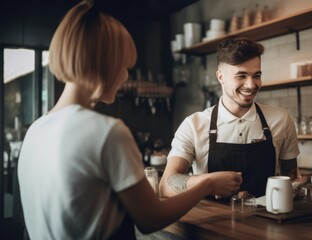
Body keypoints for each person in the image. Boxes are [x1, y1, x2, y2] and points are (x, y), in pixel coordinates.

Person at [17, 1, 242, 239]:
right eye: (124, 66)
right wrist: (207, 185)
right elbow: (151, 218)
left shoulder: (36, 130)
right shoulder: (107, 132)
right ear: (104, 63)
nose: (125, 76)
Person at [160, 36, 300, 199]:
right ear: (221, 77)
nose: (251, 85)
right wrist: (209, 183)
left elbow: (291, 179)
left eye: (256, 75)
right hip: (211, 222)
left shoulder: (281, 119)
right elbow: (165, 186)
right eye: (241, 76)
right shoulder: (194, 125)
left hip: (267, 220)